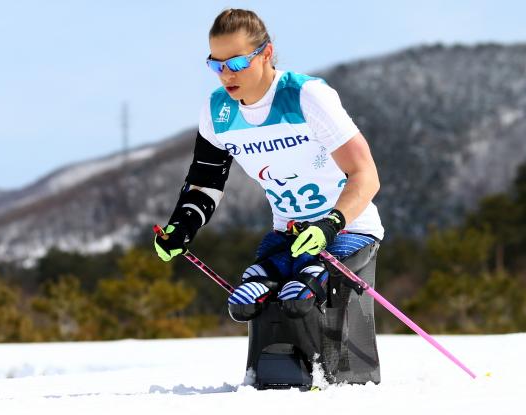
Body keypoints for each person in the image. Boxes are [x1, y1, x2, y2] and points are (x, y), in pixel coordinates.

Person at [154, 8, 384, 384]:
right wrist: (182, 225)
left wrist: (331, 223)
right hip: (288, 235)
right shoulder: (218, 112)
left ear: (265, 53)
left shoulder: (306, 96)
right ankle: (278, 370)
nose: (227, 74)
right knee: (248, 296)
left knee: (305, 291)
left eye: (238, 62)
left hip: (348, 230)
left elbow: (365, 174)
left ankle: (331, 373)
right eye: (216, 64)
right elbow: (205, 182)